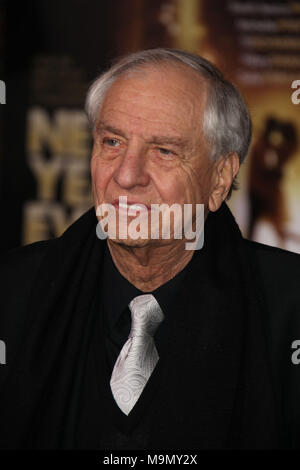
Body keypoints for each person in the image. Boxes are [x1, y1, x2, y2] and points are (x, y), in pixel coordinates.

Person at [0, 48, 300, 450]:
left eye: (164, 151)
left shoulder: (291, 308)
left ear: (219, 178)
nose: (126, 175)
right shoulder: (12, 290)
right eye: (112, 141)